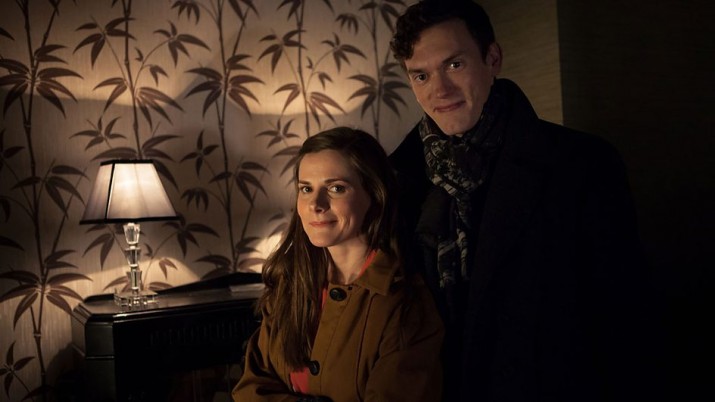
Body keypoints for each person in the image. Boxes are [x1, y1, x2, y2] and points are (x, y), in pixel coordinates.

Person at [388, 1, 659, 401]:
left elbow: (624, 319)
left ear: (492, 59)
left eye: (455, 65)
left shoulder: (582, 165)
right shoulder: (398, 181)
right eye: (421, 75)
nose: (439, 90)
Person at [232, 127, 444, 402]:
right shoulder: (290, 285)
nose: (316, 204)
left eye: (336, 188)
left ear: (374, 195)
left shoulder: (403, 304)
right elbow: (250, 389)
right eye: (306, 189)